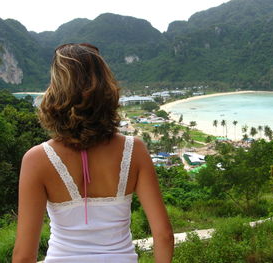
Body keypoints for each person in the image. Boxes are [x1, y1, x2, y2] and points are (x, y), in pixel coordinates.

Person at [12, 43, 174, 263]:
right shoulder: (134, 150)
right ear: (105, 88)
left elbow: (23, 256)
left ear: (56, 90)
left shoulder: (37, 159)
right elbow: (163, 235)